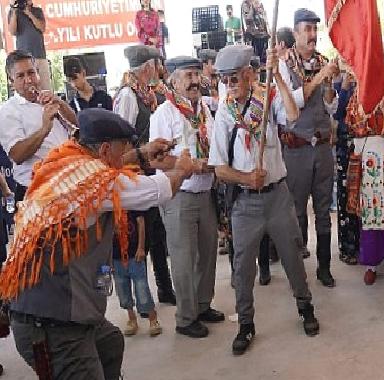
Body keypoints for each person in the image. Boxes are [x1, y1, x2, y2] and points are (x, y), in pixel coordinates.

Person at [1, 108, 198, 379]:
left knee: (110, 344)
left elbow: (108, 166)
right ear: (105, 149)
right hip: (50, 324)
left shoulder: (69, 159)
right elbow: (157, 190)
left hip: (51, 312)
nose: (124, 154)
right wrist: (182, 170)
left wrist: (142, 154)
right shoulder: (96, 183)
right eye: (122, 148)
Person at [210, 44, 319, 355]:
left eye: (233, 78)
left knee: (293, 257)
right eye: (224, 80)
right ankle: (246, 324)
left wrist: (279, 79)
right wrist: (245, 178)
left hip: (278, 197)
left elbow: (294, 115)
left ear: (249, 74)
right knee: (242, 269)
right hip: (245, 204)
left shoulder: (267, 97)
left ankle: (305, 306)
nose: (228, 85)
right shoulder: (225, 114)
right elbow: (219, 169)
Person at [150, 56, 222, 338]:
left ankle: (202, 306)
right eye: (187, 76)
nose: (195, 81)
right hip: (179, 195)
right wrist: (189, 166)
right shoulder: (164, 114)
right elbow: (156, 160)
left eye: (196, 74)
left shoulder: (204, 108)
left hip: (206, 192)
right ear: (173, 81)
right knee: (182, 257)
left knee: (207, 253)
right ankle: (185, 317)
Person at [279, 8, 340, 287]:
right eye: (307, 29)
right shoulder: (284, 64)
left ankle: (324, 267)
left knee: (325, 210)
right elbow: (293, 102)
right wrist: (319, 78)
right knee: (298, 210)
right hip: (297, 148)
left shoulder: (324, 62)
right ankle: (298, 267)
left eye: (315, 29)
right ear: (295, 33)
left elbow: (330, 106)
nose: (313, 35)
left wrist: (329, 87)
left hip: (322, 146)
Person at [114, 45, 177, 306]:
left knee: (158, 233)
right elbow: (120, 135)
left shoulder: (147, 93)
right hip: (136, 170)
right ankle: (147, 295)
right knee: (145, 234)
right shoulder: (128, 95)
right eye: (155, 65)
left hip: (150, 166)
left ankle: (164, 287)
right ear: (148, 67)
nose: (158, 70)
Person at [345, 40, 384, 285]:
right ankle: (370, 263)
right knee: (370, 213)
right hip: (368, 159)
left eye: (380, 64)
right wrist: (375, 125)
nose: (376, 69)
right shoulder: (359, 90)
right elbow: (352, 121)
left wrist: (374, 125)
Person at [0, 50, 76, 203]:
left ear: (38, 74)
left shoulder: (48, 99)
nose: (28, 80)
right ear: (11, 81)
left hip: (67, 184)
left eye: (31, 73)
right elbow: (17, 155)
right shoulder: (8, 110)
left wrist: (60, 104)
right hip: (36, 191)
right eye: (20, 76)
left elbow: (76, 125)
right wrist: (44, 129)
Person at [113, 210, 163, 337]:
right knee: (122, 289)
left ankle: (153, 318)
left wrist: (141, 248)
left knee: (142, 288)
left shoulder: (131, 201)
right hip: (116, 256)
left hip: (134, 254)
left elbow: (141, 222)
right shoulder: (106, 205)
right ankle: (131, 318)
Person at [334, 71, 359, 266]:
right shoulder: (337, 84)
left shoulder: (366, 81)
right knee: (345, 197)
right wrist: (342, 89)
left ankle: (363, 246)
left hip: (362, 147)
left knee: (362, 197)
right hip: (344, 148)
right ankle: (347, 247)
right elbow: (336, 113)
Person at [7, 0, 50, 91]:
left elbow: (42, 28)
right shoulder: (13, 12)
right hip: (24, 60)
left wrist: (29, 13)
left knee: (46, 88)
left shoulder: (37, 11)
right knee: (27, 89)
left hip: (39, 55)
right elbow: (12, 31)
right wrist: (14, 9)